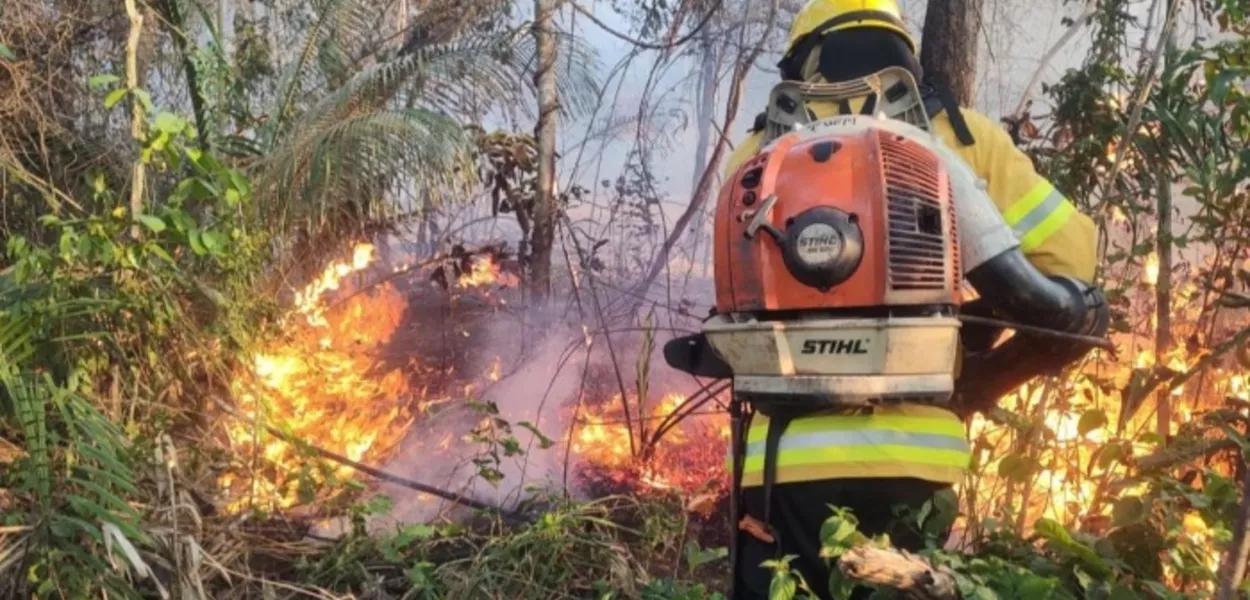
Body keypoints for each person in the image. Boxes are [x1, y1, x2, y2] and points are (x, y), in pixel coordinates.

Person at [722, 1, 1107, 598]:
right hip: (920, 461)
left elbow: (734, 302)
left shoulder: (755, 158)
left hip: (782, 465)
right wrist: (973, 319)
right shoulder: (966, 138)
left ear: (806, 58)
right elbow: (1073, 267)